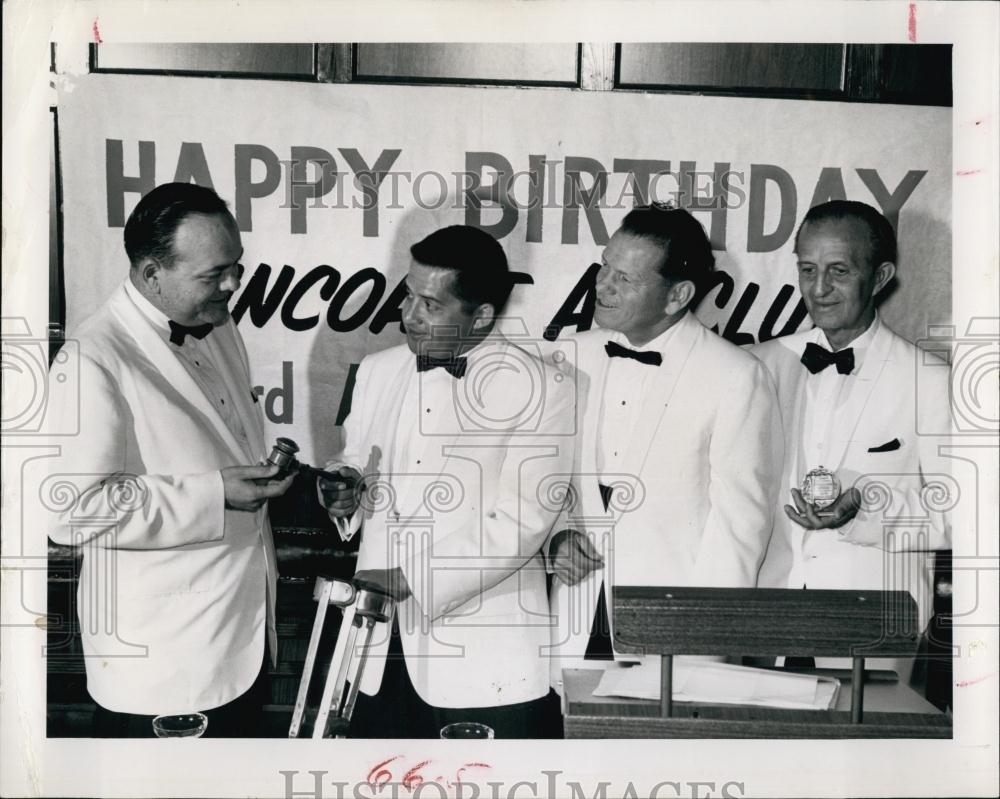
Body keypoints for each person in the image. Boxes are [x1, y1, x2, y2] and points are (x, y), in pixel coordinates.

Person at [43, 182, 294, 736]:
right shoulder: (92, 360)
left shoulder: (219, 323)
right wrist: (214, 493)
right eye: (213, 275)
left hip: (239, 647)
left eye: (235, 267)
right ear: (152, 274)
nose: (232, 285)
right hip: (162, 670)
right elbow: (69, 513)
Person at [317, 225, 574, 738]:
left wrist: (412, 579)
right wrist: (343, 492)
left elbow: (523, 520)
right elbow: (356, 461)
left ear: (480, 315)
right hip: (373, 655)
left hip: (484, 661)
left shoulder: (545, 387)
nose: (408, 315)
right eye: (408, 295)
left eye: (430, 305)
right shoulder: (376, 369)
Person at [547, 204, 784, 689]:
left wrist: (701, 651)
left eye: (625, 279)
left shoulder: (736, 376)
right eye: (604, 267)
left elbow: (740, 527)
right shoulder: (568, 355)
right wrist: (554, 539)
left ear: (677, 295)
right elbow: (542, 479)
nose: (603, 286)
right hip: (571, 618)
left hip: (675, 638)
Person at [752, 200, 952, 682]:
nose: (818, 289)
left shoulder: (930, 380)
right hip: (762, 621)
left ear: (880, 277)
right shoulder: (757, 367)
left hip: (874, 628)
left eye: (838, 271)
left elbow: (961, 517)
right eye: (807, 269)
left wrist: (866, 507)